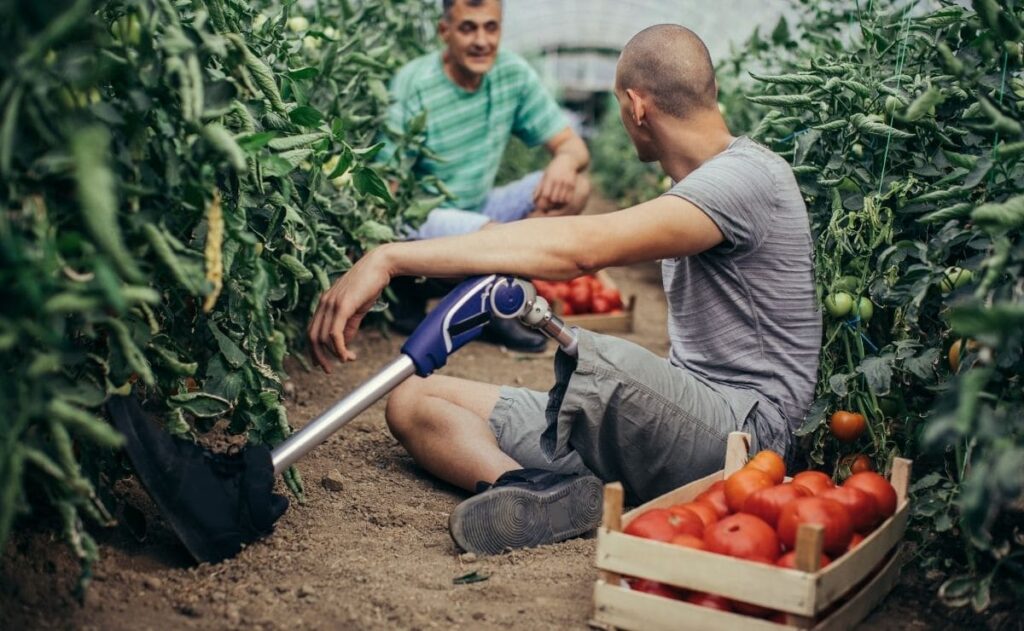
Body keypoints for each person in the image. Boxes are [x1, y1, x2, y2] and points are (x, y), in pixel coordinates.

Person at [310, 25, 822, 555]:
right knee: (416, 400)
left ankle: (578, 485)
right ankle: (535, 493)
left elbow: (579, 250)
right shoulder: (699, 186)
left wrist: (391, 256)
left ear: (635, 107)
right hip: (681, 424)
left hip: (748, 436)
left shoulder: (747, 177)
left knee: (607, 362)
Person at [381, 0, 591, 351]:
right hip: (421, 214)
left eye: (490, 27)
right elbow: (387, 186)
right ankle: (490, 304)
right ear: (444, 31)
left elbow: (574, 146)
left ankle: (488, 287)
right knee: (497, 238)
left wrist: (564, 161)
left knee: (577, 188)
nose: (482, 40)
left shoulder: (511, 74)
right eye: (468, 28)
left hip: (480, 205)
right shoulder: (415, 83)